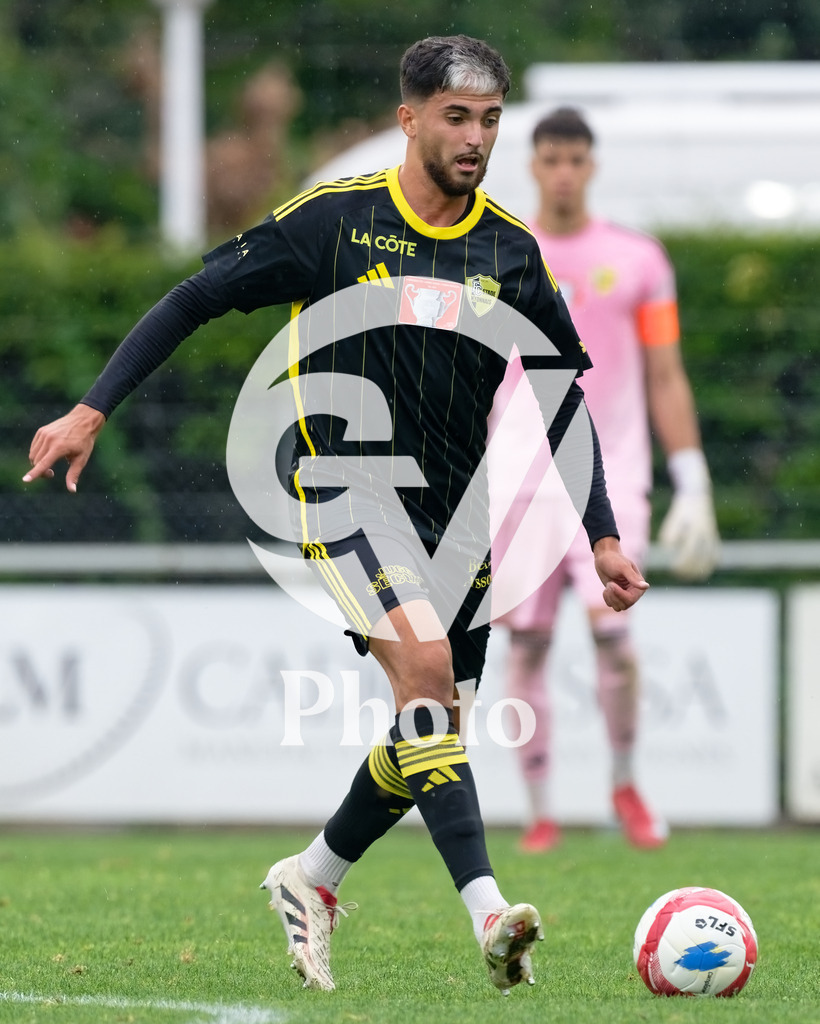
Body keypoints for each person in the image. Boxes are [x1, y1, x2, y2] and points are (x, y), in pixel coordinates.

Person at [23, 40, 648, 994]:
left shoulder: (511, 253)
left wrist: (601, 531)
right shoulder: (337, 223)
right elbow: (197, 297)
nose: (476, 139)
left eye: (489, 120)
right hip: (344, 491)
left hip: (459, 522)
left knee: (428, 732)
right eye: (455, 117)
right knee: (429, 676)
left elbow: (563, 399)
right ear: (409, 119)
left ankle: (311, 878)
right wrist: (91, 407)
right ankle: (490, 917)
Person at [487, 106, 719, 854]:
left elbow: (664, 373)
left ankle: (623, 782)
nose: (562, 174)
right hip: (518, 477)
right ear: (534, 166)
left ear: (591, 165)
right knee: (527, 645)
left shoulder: (640, 260)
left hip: (610, 473)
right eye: (550, 160)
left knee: (614, 639)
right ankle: (540, 810)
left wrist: (692, 477)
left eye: (574, 160)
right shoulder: (500, 252)